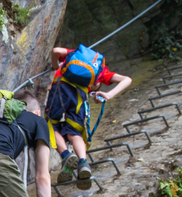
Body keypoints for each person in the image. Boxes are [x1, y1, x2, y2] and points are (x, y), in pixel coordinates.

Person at [45, 47, 132, 189]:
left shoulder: (74, 54)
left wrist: (55, 65)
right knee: (74, 132)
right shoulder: (102, 71)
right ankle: (83, 162)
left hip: (60, 88)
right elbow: (127, 79)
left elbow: (56, 50)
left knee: (51, 125)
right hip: (79, 97)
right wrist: (109, 95)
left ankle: (66, 155)